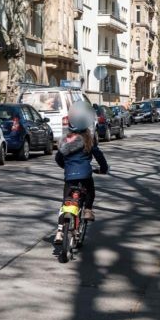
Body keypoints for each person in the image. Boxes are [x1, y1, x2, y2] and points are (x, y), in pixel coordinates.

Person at [53, 104, 108, 244]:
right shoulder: (89, 140)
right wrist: (104, 168)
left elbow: (58, 158)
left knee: (66, 201)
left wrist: (65, 167)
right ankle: (88, 209)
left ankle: (59, 231)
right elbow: (99, 156)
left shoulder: (65, 141)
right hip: (85, 176)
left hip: (69, 177)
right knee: (90, 192)